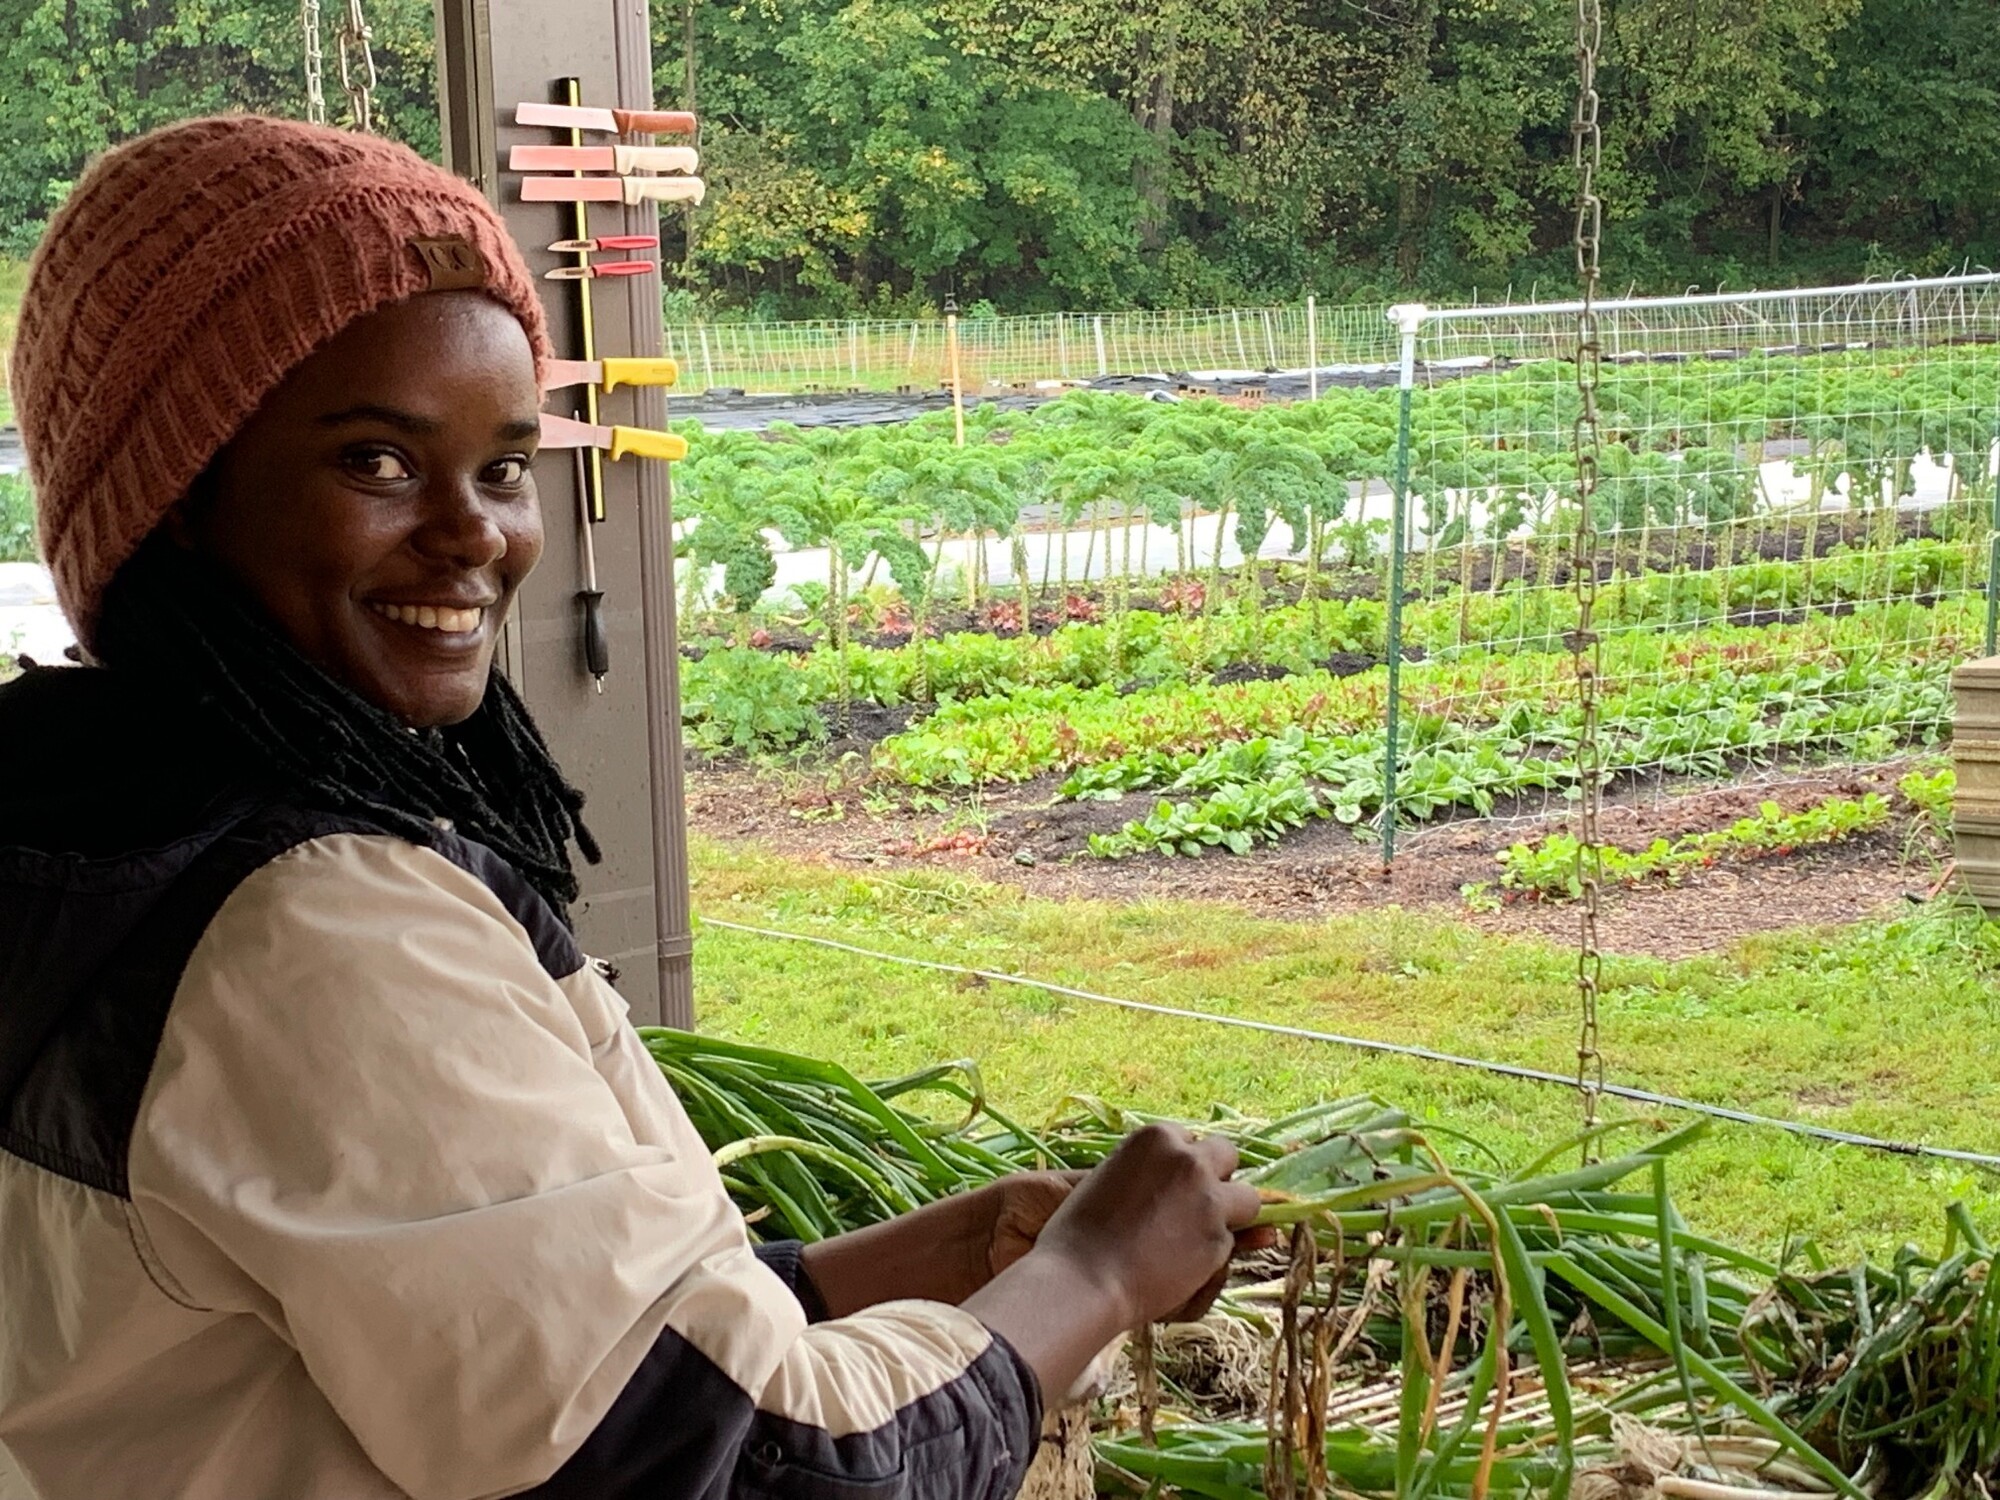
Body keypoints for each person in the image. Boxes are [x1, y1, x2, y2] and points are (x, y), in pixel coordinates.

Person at [0, 116, 1264, 1500]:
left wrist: (904, 1270)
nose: (477, 533)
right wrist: (1090, 1279)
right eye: (376, 460)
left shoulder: (88, 831)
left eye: (501, 466)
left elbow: (501, 1350)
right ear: (180, 497)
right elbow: (759, 1475)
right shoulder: (312, 932)